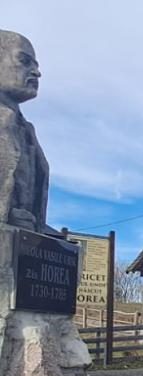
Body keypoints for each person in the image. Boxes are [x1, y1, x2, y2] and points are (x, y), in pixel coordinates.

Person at [0, 30, 49, 231]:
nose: (37, 73)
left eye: (36, 65)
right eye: (24, 61)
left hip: (26, 248)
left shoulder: (27, 131)